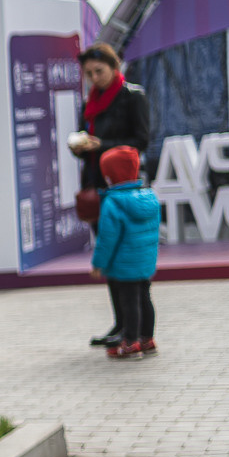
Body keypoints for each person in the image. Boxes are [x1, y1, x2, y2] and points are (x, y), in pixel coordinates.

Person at [70, 42, 152, 347]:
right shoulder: (89, 102)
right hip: (98, 187)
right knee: (111, 258)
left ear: (114, 67)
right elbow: (86, 142)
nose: (94, 78)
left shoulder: (132, 96)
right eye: (89, 73)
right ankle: (123, 325)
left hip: (123, 188)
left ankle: (138, 329)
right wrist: (80, 147)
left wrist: (99, 144)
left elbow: (140, 141)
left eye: (99, 71)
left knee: (128, 260)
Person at [89, 145, 160, 358]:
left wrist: (98, 264)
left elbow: (107, 239)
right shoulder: (150, 198)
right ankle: (147, 339)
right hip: (145, 261)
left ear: (111, 175)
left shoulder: (113, 203)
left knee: (129, 304)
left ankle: (130, 342)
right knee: (145, 298)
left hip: (123, 264)